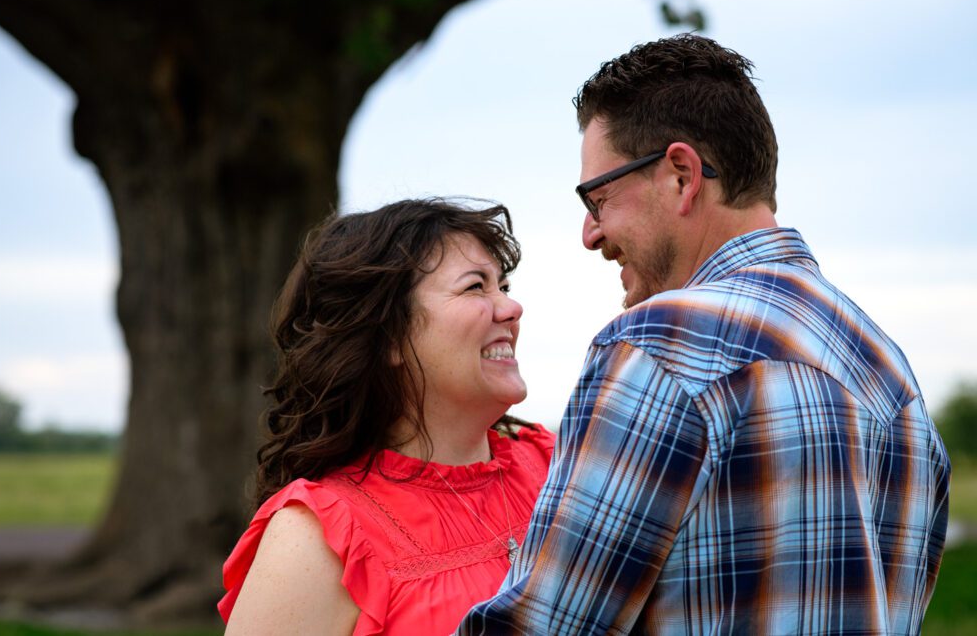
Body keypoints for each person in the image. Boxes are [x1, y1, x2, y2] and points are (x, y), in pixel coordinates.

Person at [459, 34, 950, 634]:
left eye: (598, 197)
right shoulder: (890, 376)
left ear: (681, 175)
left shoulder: (659, 347)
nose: (590, 233)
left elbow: (543, 627)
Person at [218, 199, 554, 635]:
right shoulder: (319, 538)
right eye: (475, 287)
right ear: (388, 336)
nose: (511, 309)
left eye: (503, 287)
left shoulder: (557, 467)